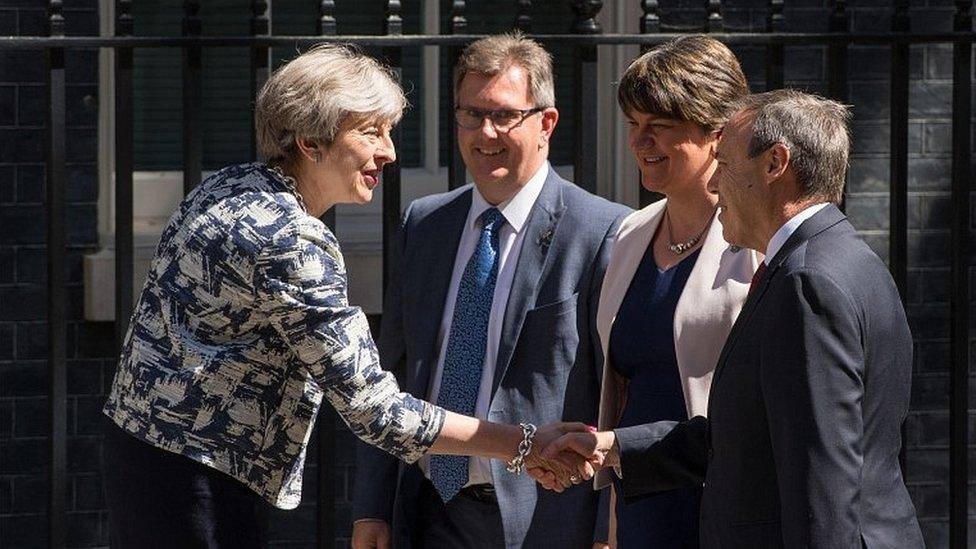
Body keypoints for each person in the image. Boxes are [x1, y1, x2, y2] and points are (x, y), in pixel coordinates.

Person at [101, 44, 595, 549]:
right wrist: (525, 442)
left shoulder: (228, 187)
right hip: (200, 483)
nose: (390, 151)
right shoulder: (291, 241)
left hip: (145, 457)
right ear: (312, 142)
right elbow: (374, 408)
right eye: (370, 132)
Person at [541, 90, 924, 548]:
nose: (716, 185)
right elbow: (746, 436)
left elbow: (821, 479)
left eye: (724, 164)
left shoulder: (806, 283)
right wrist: (614, 447)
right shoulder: (843, 259)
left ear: (774, 163)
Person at [351, 32, 630, 549]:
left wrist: (605, 529)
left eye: (504, 115)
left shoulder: (603, 231)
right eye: (471, 115)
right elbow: (388, 372)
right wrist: (372, 505)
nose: (485, 134)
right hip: (428, 508)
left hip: (542, 519)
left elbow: (619, 395)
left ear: (546, 123)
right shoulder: (425, 222)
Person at [591, 35, 759, 549]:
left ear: (717, 134)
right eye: (634, 127)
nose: (641, 144)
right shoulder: (629, 235)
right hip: (640, 503)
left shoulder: (754, 245)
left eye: (660, 128)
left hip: (722, 505)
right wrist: (611, 520)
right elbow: (623, 395)